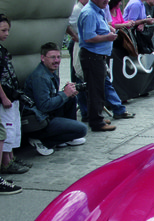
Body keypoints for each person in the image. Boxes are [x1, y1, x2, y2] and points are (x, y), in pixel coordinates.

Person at [24, 42, 88, 153]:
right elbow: (44, 106)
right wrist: (64, 94)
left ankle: (66, 137)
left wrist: (68, 92)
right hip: (41, 120)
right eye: (52, 57)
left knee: (71, 98)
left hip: (48, 114)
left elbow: (52, 97)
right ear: (43, 58)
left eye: (59, 57)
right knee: (82, 129)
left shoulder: (50, 72)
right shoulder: (40, 77)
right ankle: (43, 141)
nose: (57, 60)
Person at [77, 0, 117, 132]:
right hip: (92, 56)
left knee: (98, 88)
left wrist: (108, 29)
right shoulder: (89, 13)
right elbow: (89, 37)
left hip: (97, 56)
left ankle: (96, 115)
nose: (107, 0)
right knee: (96, 89)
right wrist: (108, 37)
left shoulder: (97, 11)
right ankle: (97, 122)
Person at [0, 14, 31, 181]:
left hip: (11, 93)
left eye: (8, 30)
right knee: (8, 128)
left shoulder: (2, 49)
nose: (7, 33)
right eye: (3, 30)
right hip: (5, 97)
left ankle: (10, 158)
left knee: (14, 126)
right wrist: (4, 97)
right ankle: (6, 162)